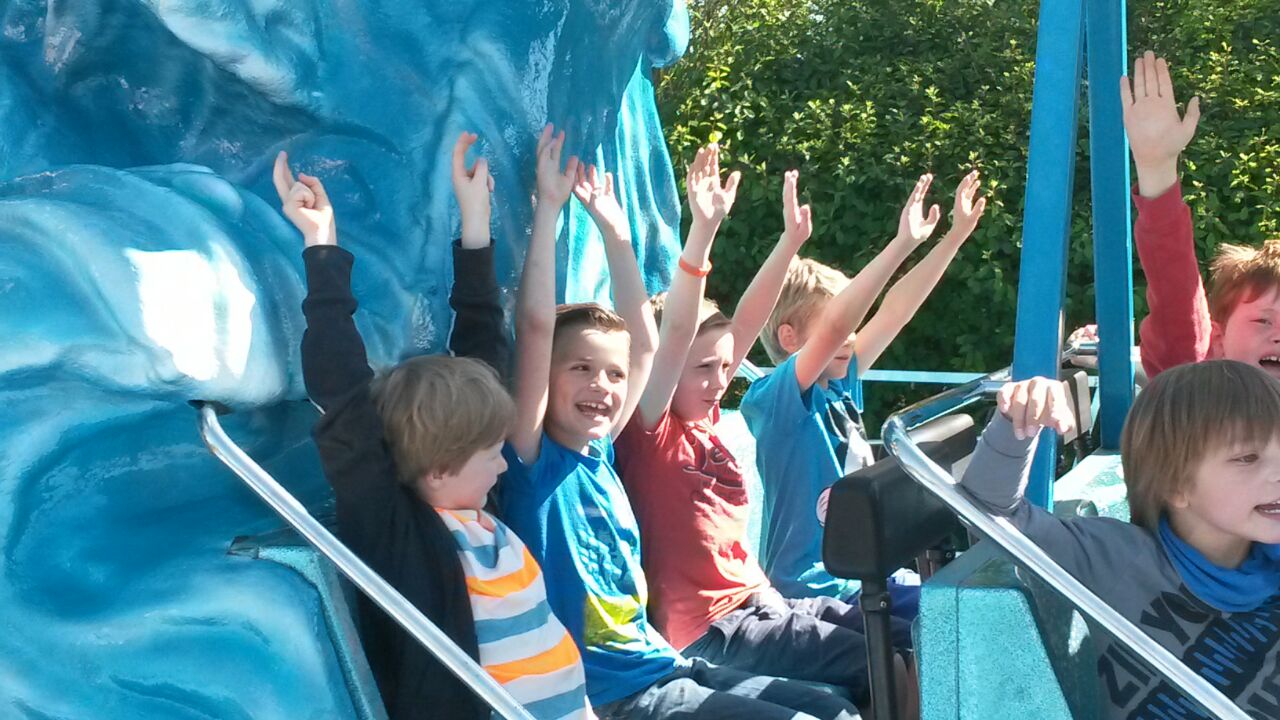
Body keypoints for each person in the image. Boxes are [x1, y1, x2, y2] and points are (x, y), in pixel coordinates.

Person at [501, 125, 857, 720]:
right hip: (618, 693)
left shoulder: (602, 454)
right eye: (581, 369)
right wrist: (551, 210)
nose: (602, 385)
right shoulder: (537, 466)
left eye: (614, 375)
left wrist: (617, 235)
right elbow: (548, 330)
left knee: (835, 710)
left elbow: (647, 347)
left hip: (663, 665)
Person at [286, 134, 590, 720]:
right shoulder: (403, 537)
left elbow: (483, 351)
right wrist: (321, 246)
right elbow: (344, 397)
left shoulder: (474, 504)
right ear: (441, 466)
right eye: (491, 452)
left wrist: (475, 223)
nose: (503, 462)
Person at [612, 152, 914, 708]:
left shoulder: (705, 415)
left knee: (910, 642)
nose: (719, 381)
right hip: (712, 629)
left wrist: (790, 244)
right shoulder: (651, 433)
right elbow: (674, 334)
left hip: (761, 603)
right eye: (704, 369)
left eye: (724, 367)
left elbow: (746, 322)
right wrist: (702, 233)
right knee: (881, 666)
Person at [961, 363, 1280, 718]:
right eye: (1248, 458)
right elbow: (987, 512)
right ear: (1175, 485)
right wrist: (1015, 423)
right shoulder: (1112, 558)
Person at [742, 171, 986, 604]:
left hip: (864, 575)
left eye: (855, 327)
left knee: (960, 603)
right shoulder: (776, 400)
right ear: (789, 338)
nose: (851, 337)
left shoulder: (839, 384)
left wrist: (952, 238)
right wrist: (900, 245)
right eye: (842, 327)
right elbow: (837, 325)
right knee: (947, 614)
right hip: (814, 588)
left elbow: (894, 313)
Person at [1124, 51, 1280, 380]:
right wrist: (1156, 167)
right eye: (1263, 320)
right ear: (1219, 342)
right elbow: (1178, 304)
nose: (1278, 335)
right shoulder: (1202, 391)